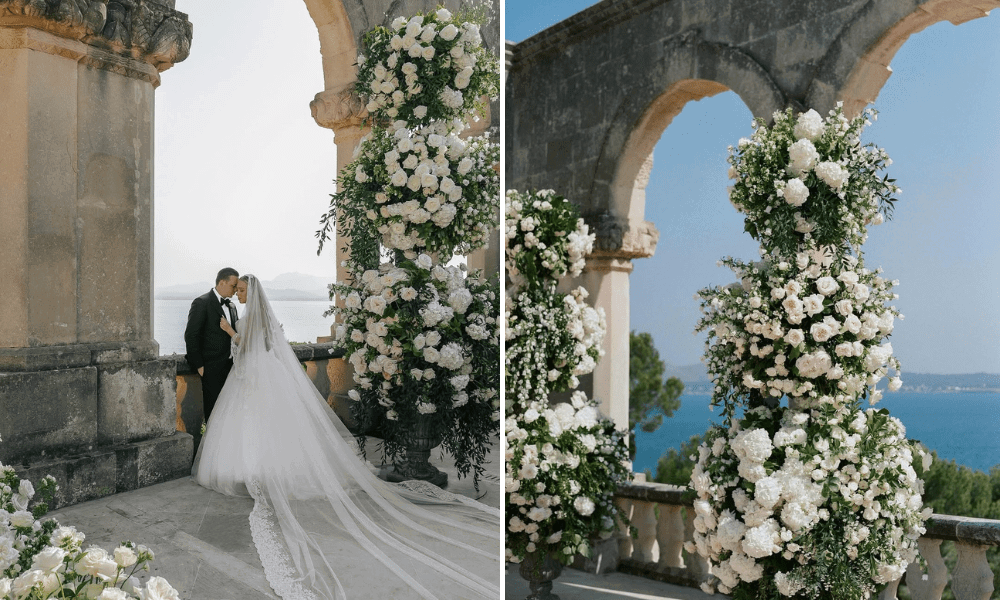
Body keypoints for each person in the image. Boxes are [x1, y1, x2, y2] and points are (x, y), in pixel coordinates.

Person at [191, 274, 501, 600]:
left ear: (250, 294)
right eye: (237, 290)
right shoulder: (253, 315)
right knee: (262, 427)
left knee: (257, 426)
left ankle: (257, 473)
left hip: (253, 376)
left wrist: (229, 334)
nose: (239, 294)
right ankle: (257, 471)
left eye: (242, 290)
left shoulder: (245, 319)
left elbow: (249, 344)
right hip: (257, 373)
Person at [184, 267, 240, 423]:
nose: (235, 290)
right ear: (222, 282)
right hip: (211, 369)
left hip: (232, 369)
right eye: (233, 286)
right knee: (214, 415)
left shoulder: (232, 306)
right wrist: (200, 366)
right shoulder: (202, 302)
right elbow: (191, 335)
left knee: (231, 414)